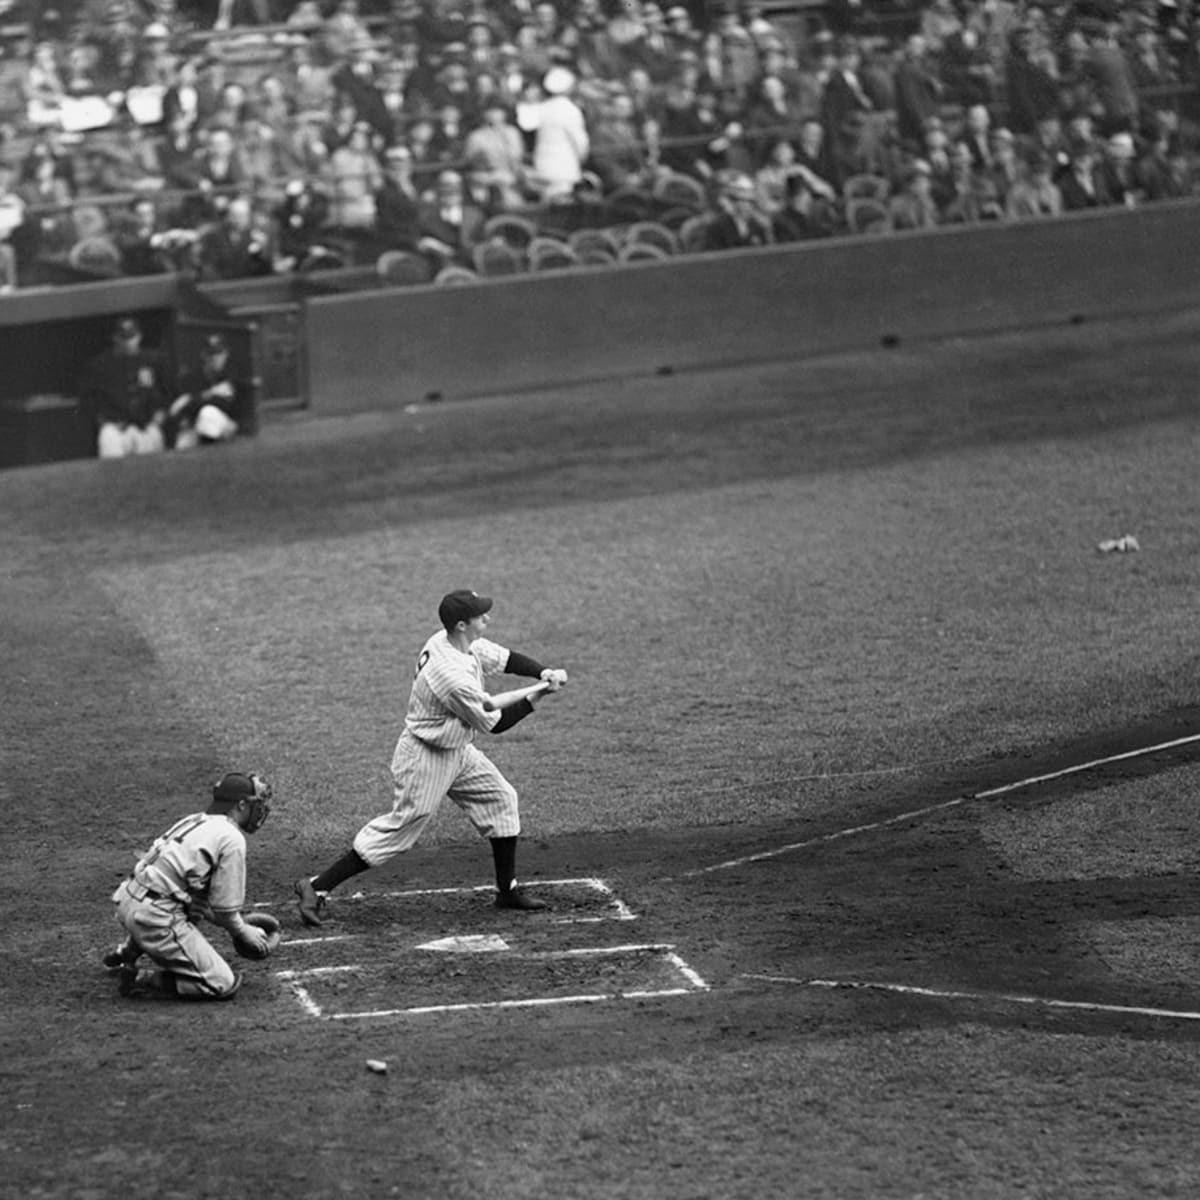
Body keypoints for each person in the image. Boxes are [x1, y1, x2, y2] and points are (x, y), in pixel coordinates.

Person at [294, 590, 569, 926]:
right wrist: (537, 698)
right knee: (402, 828)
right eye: (482, 615)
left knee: (501, 799)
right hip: (426, 757)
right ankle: (316, 887)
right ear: (461, 624)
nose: (488, 618)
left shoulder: (449, 639)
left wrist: (542, 673)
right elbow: (494, 724)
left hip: (457, 749)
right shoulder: (450, 675)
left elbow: (502, 658)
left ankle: (507, 890)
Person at [102, 772, 274, 1000]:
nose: (259, 810)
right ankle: (140, 977)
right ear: (241, 804)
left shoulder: (195, 820)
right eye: (256, 804)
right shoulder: (231, 838)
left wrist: (237, 924)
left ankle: (127, 951)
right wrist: (243, 931)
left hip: (127, 900)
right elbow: (224, 911)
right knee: (221, 983)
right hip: (153, 918)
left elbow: (203, 903)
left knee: (193, 905)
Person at [79, 316, 171, 459]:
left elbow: (168, 392)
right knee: (108, 438)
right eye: (124, 338)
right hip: (116, 427)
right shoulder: (101, 365)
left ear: (139, 336)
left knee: (155, 455)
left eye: (132, 337)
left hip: (146, 425)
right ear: (115, 338)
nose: (128, 342)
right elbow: (88, 399)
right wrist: (102, 419)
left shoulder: (153, 361)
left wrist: (161, 414)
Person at [167, 333, 252, 449]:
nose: (215, 358)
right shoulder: (193, 378)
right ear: (204, 355)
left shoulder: (232, 374)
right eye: (211, 354)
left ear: (226, 354)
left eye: (219, 353)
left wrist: (191, 399)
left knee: (207, 413)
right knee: (182, 444)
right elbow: (178, 412)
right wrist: (206, 396)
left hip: (228, 427)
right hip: (197, 427)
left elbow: (222, 403)